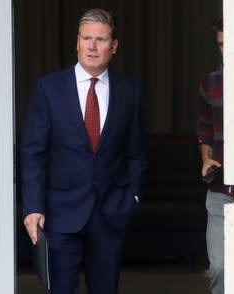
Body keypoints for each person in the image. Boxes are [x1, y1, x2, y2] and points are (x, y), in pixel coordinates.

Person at [21, 8, 146, 294]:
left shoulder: (129, 92)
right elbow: (33, 153)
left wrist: (133, 196)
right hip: (60, 214)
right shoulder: (48, 88)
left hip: (110, 213)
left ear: (113, 46)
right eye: (86, 38)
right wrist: (33, 206)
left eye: (100, 40)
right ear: (76, 42)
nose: (92, 46)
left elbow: (136, 152)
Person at [197, 16, 234, 294]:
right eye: (221, 45)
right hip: (220, 189)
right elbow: (205, 129)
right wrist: (206, 159)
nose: (226, 50)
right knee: (220, 267)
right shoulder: (210, 83)